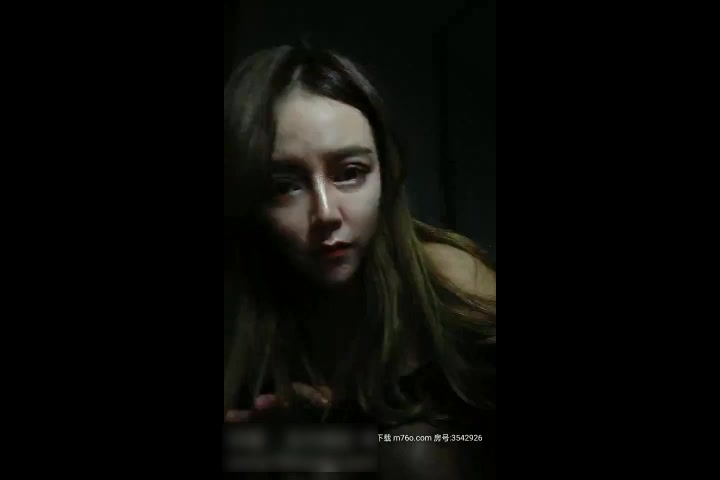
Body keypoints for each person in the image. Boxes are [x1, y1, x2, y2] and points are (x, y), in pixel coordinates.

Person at [224, 45, 496, 478]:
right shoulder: (241, 318)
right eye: (284, 185)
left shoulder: (448, 281)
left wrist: (343, 442)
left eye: (350, 172)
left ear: (386, 173)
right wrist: (276, 445)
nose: (326, 212)